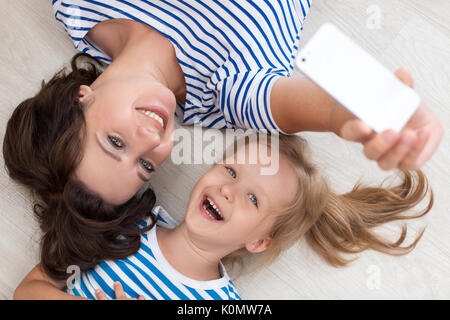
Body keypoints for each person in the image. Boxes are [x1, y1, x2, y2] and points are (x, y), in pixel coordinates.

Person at [3, 0, 443, 281]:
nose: (152, 139)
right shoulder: (226, 95)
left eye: (115, 142)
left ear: (81, 97)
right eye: (146, 165)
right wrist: (374, 110)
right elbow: (315, 107)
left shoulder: (76, 7)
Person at [14, 134, 433, 300]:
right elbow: (29, 289)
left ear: (259, 241)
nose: (228, 190)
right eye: (231, 171)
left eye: (252, 199)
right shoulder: (128, 220)